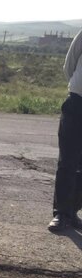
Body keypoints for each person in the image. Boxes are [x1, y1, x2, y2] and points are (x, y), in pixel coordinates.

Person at [48, 29, 82, 232]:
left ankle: (73, 211)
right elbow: (69, 66)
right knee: (68, 160)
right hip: (78, 103)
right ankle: (61, 213)